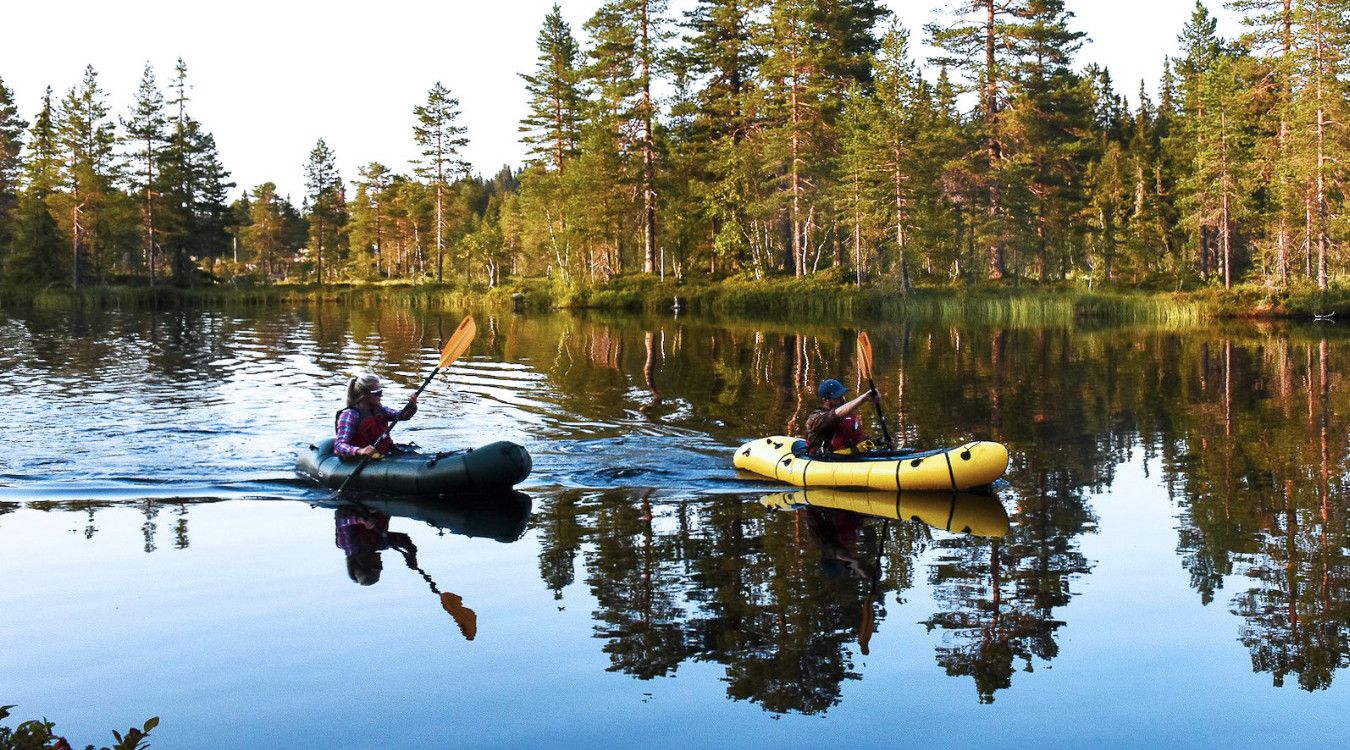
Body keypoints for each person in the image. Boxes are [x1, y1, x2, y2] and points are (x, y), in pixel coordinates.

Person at [334, 373, 417, 460]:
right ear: (363, 394)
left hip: (385, 454)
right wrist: (360, 451)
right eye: (378, 392)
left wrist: (412, 405)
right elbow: (339, 446)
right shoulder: (349, 415)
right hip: (362, 459)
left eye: (381, 391)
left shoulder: (380, 409)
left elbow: (403, 416)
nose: (381, 395)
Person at [803, 378, 883, 456]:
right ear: (825, 400)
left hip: (850, 457)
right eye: (837, 398)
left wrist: (879, 441)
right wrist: (863, 398)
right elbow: (833, 416)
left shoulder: (847, 416)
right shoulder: (815, 418)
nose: (842, 400)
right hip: (825, 459)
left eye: (842, 396)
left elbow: (859, 438)